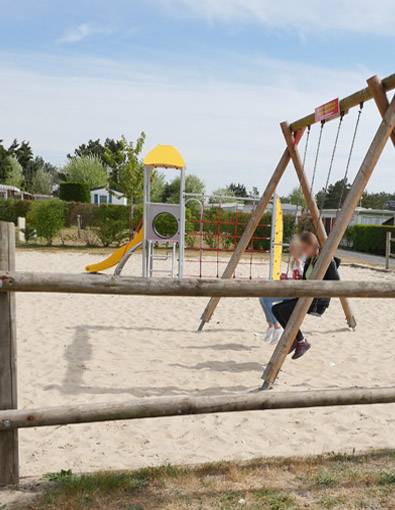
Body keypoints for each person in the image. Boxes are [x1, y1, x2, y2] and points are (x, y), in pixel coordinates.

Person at [271, 231, 340, 360]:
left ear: (313, 245)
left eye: (305, 248)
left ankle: (301, 341)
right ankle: (294, 341)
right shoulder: (310, 260)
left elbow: (336, 282)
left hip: (317, 301)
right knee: (275, 309)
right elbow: (304, 281)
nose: (303, 251)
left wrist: (319, 289)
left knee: (286, 310)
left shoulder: (326, 260)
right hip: (306, 296)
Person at [259, 236, 304, 344]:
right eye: (290, 249)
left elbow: (303, 278)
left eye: (292, 249)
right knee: (261, 297)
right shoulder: (294, 261)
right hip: (291, 289)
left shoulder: (302, 260)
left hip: (297, 293)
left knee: (266, 299)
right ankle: (271, 325)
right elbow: (295, 278)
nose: (290, 251)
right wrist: (286, 278)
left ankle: (277, 326)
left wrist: (300, 265)